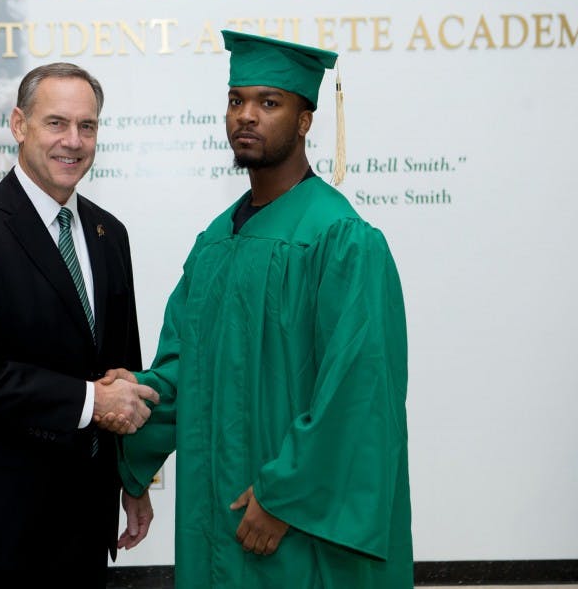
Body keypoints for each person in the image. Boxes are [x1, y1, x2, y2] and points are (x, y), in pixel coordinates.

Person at [107, 30, 413, 587]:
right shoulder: (215, 242)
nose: (246, 116)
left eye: (268, 103)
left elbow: (359, 389)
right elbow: (185, 367)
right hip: (214, 512)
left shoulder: (340, 239)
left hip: (290, 525)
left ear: (304, 121)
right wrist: (133, 419)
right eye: (236, 100)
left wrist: (284, 496)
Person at [0, 62, 159, 588]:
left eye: (87, 126)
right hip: (2, 527)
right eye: (56, 123)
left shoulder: (108, 234)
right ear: (18, 125)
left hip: (88, 520)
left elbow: (124, 372)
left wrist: (133, 478)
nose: (72, 141)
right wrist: (90, 401)